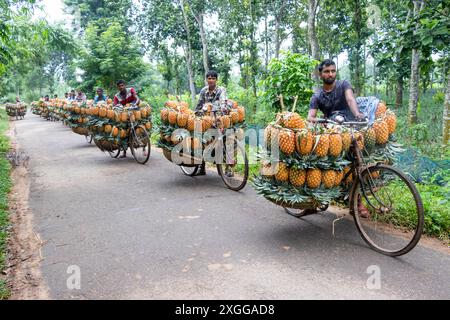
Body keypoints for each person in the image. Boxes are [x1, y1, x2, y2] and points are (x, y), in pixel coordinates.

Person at [308, 59, 369, 218]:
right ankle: (316, 197)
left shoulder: (344, 85)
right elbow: (311, 117)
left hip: (349, 127)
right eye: (327, 71)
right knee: (327, 168)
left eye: (333, 71)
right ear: (320, 74)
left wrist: (357, 114)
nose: (330, 74)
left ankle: (357, 202)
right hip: (332, 134)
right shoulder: (317, 96)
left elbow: (350, 99)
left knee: (356, 163)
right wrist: (322, 121)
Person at [195, 71, 231, 176]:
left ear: (216, 80)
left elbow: (224, 102)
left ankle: (228, 168)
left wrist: (223, 108)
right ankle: (202, 167)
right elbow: (199, 105)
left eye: (213, 78)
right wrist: (196, 113)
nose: (211, 80)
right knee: (201, 139)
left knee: (227, 139)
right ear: (206, 80)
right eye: (209, 78)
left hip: (219, 119)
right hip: (206, 120)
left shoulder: (221, 90)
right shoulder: (203, 91)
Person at [113, 80, 140, 158]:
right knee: (123, 131)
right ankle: (124, 151)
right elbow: (114, 105)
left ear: (124, 85)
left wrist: (134, 104)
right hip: (125, 112)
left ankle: (143, 146)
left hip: (134, 108)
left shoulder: (130, 90)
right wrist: (118, 107)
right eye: (119, 86)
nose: (121, 87)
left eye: (122, 85)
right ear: (117, 87)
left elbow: (137, 98)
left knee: (140, 123)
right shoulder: (117, 96)